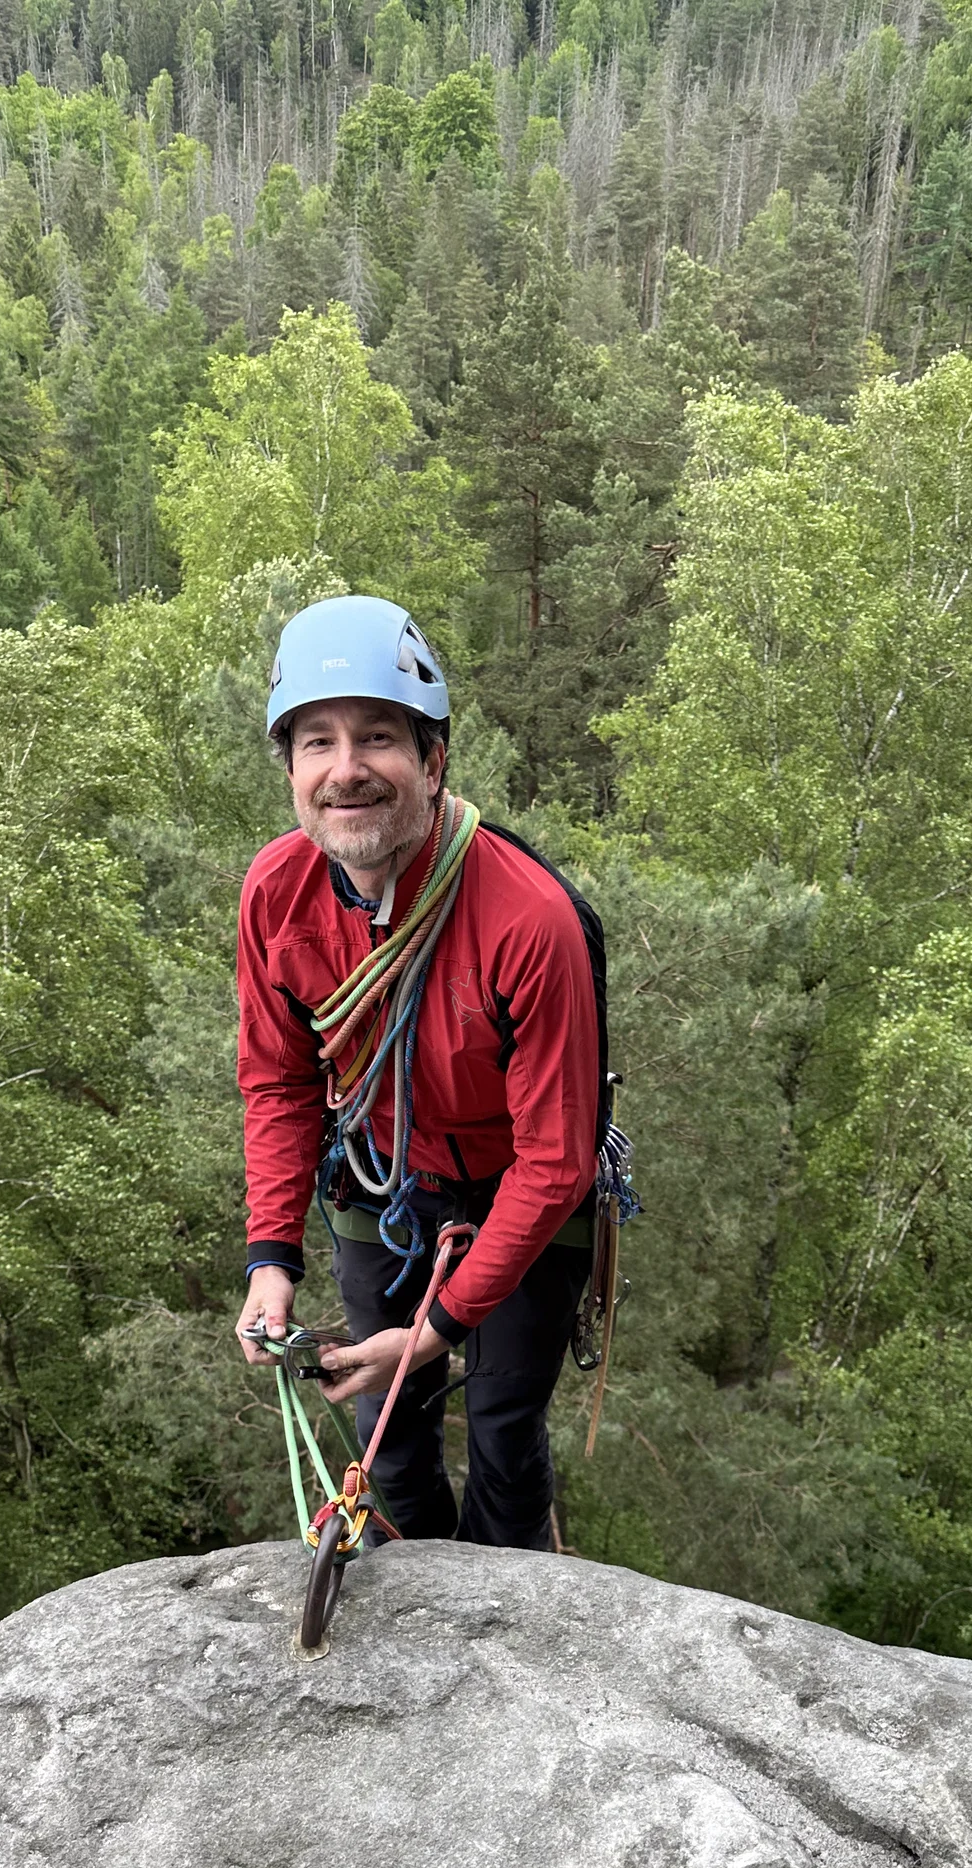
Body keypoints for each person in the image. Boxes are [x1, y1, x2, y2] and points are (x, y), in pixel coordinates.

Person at [234, 594, 604, 1549]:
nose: (346, 769)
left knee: (504, 1433)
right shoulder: (277, 894)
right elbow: (278, 1083)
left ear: (433, 762)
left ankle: (515, 1620)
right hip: (384, 1181)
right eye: (316, 742)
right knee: (389, 1438)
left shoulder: (530, 919)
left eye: (378, 738)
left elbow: (555, 1158)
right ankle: (413, 1636)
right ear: (290, 771)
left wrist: (436, 1332)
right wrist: (271, 1262)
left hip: (526, 1188)